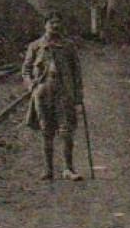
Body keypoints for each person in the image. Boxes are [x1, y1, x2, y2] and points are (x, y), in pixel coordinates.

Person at [22, 14, 85, 181]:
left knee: (66, 131)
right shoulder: (35, 46)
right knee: (46, 130)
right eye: (52, 23)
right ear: (45, 25)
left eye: (58, 23)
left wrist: (79, 96)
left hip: (64, 91)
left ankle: (68, 169)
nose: (55, 26)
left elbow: (76, 73)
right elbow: (26, 69)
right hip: (43, 92)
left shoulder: (68, 46)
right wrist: (32, 86)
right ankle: (48, 170)